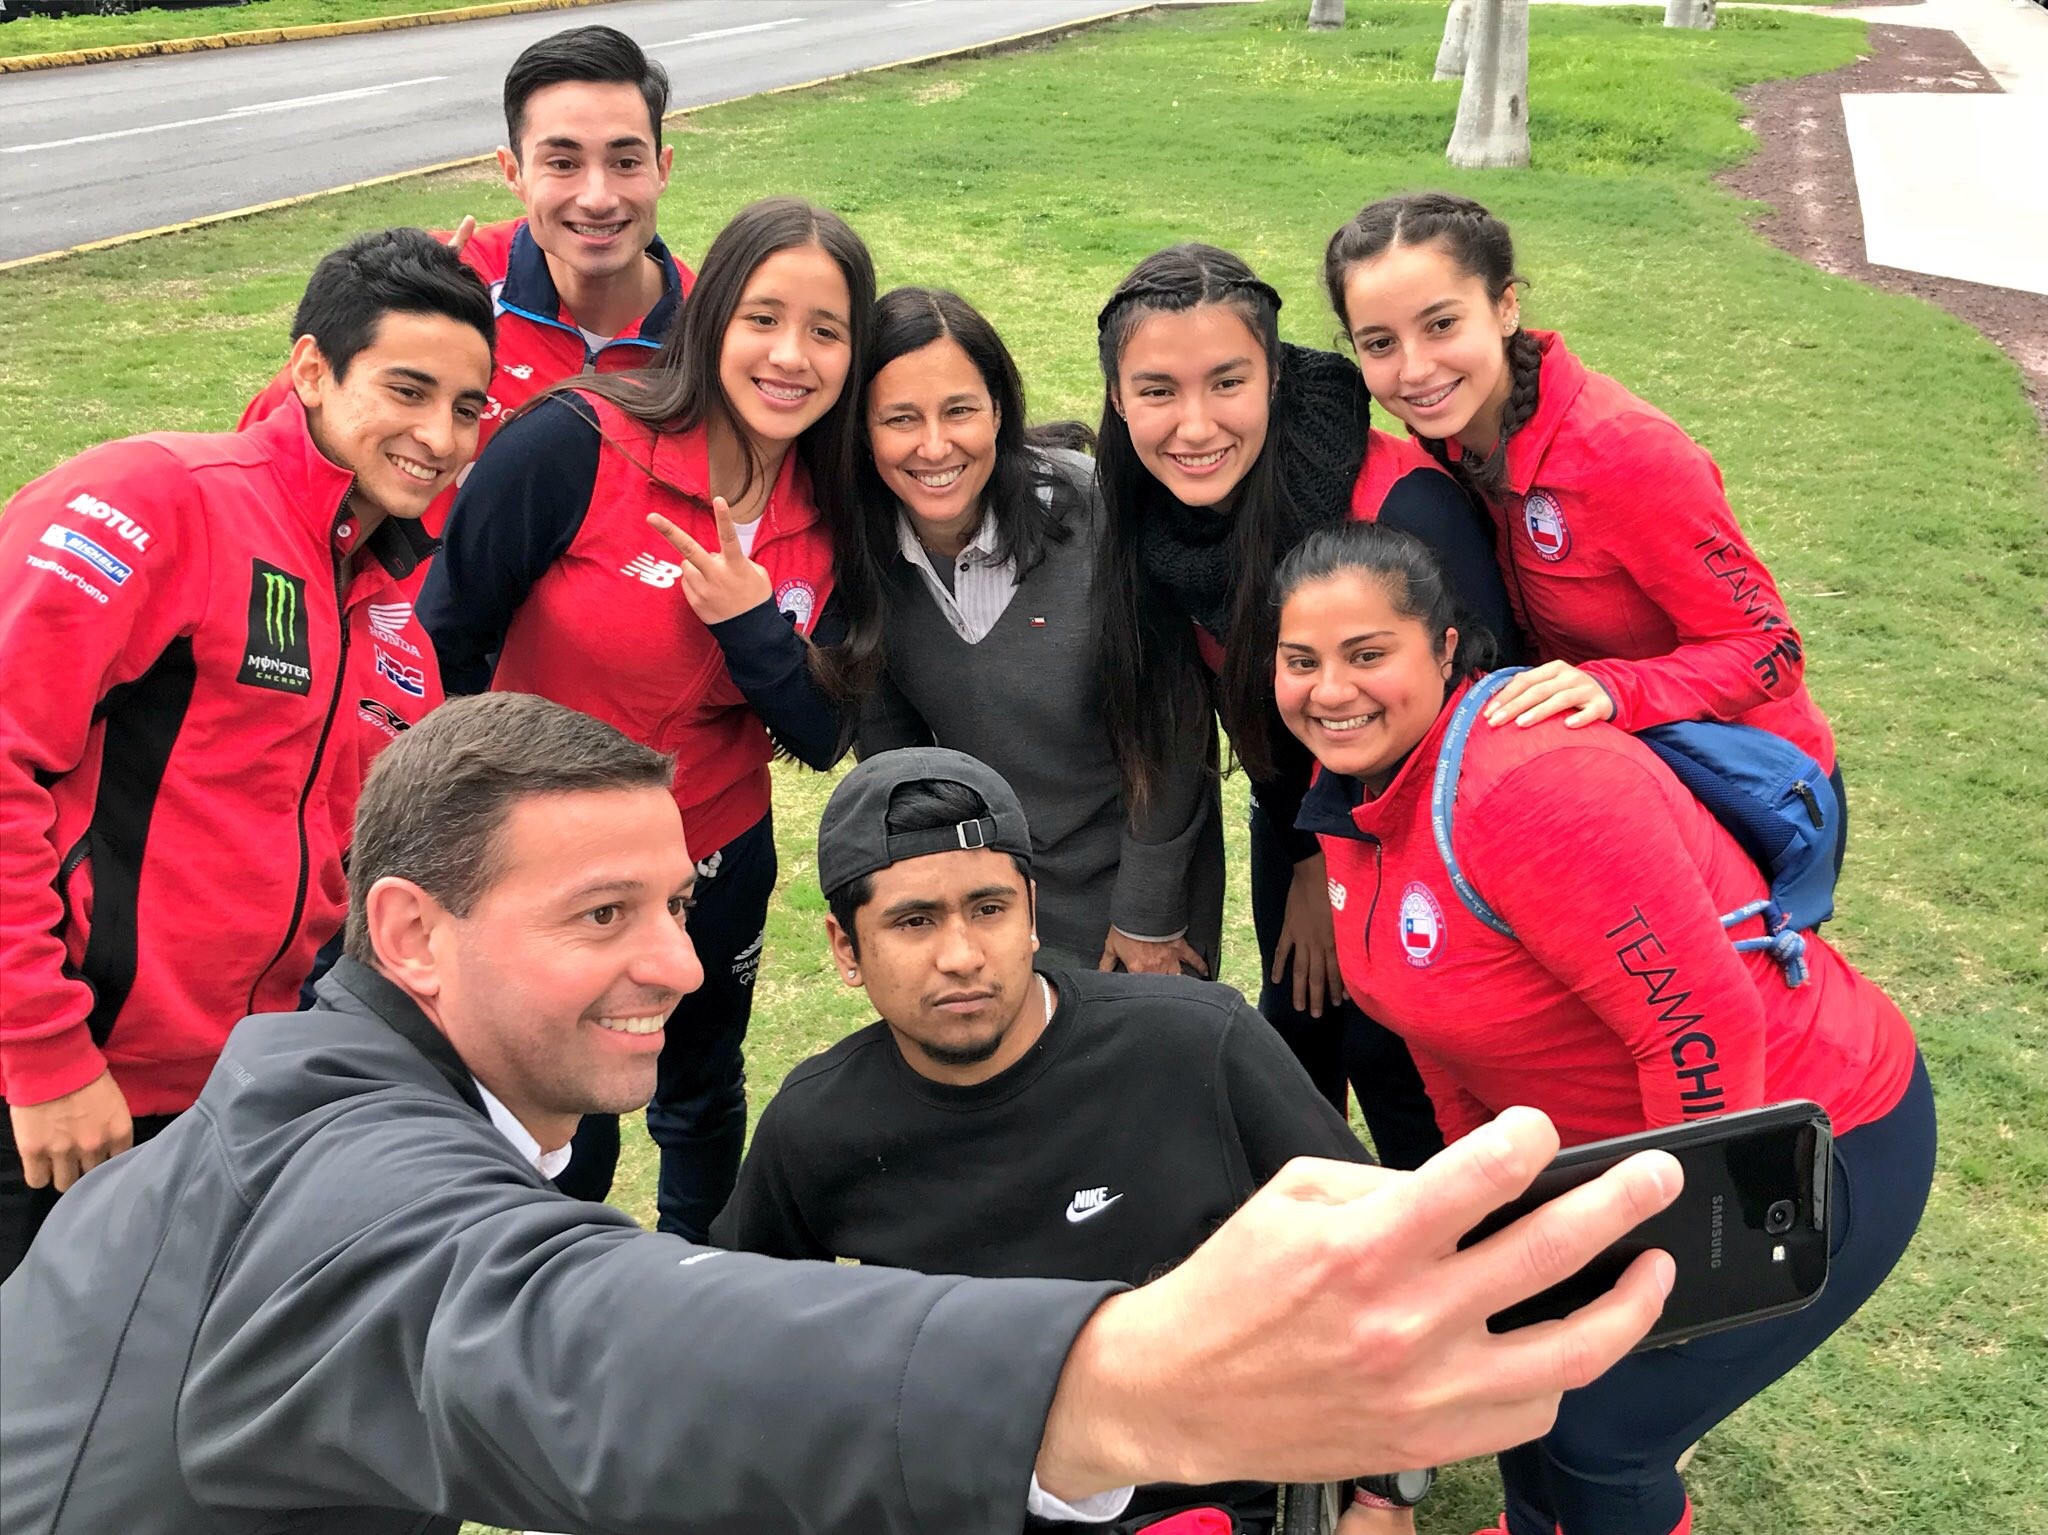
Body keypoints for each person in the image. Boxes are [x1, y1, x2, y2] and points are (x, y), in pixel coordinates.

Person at [0, 690, 1688, 1535]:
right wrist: (1110, 1383)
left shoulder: (320, 1088)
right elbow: (574, 1339)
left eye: (672, 904)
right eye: (601, 916)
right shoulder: (350, 1163)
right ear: (410, 936)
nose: (673, 962)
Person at [1276, 522, 1934, 1535]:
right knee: (1522, 1384)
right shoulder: (1357, 804)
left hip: (1806, 1141)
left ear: (1444, 649)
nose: (1330, 689)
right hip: (1608, 1158)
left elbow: (1702, 1028)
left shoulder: (1530, 786)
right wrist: (1495, 1214)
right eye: (1300, 660)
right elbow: (1439, 1026)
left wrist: (1676, 1275)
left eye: (1367, 654)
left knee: (1598, 1434)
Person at [715, 746, 1424, 1534]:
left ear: (1032, 911)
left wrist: (1384, 1493)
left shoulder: (1197, 1046)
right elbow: (739, 1349)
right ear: (845, 947)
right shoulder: (816, 1127)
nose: (962, 955)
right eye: (914, 922)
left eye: (989, 908)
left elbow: (1381, 1261)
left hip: (1199, 1501)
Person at [0, 228, 492, 1281]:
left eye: (465, 408)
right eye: (406, 389)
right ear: (311, 368)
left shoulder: (390, 597)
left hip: (221, 1102)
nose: (438, 435)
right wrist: (41, 1054)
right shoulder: (159, 497)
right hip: (54, 1092)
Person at [418, 196, 867, 1231]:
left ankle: (693, 1292)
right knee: (560, 1106)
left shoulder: (839, 500)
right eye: (762, 317)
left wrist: (754, 626)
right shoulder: (576, 441)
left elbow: (820, 729)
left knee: (699, 1097)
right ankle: (537, 1296)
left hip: (714, 858)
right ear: (708, 318)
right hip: (541, 868)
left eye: (825, 330)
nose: (789, 355)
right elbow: (440, 639)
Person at [1092, 242, 1512, 1169]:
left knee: (1401, 1070)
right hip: (1296, 819)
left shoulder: (1398, 508)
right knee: (1295, 1063)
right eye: (1157, 390)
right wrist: (1304, 853)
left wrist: (1337, 859)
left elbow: (1484, 720)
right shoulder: (1149, 514)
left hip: (1434, 844)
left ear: (1276, 379)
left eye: (1227, 382)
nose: (1194, 424)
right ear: (1118, 400)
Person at [1322, 191, 1844, 868]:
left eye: (1442, 324)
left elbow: (1770, 648)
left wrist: (1614, 686)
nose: (1415, 368)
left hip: (1754, 794)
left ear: (1506, 306)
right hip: (1616, 787)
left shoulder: (1625, 452)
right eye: (1381, 343)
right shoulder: (1443, 443)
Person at [839, 288, 1223, 975]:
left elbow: (1175, 729)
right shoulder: (861, 554)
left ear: (999, 410)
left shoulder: (1099, 514)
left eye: (959, 410)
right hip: (987, 900)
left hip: (1134, 890)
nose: (934, 446)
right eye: (900, 418)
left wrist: (1147, 917)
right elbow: (895, 763)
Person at [239, 24, 696, 534]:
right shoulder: (437, 288)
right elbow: (269, 454)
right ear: (512, 172)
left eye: (625, 162)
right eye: (562, 163)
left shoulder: (714, 331)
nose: (597, 196)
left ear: (662, 168)